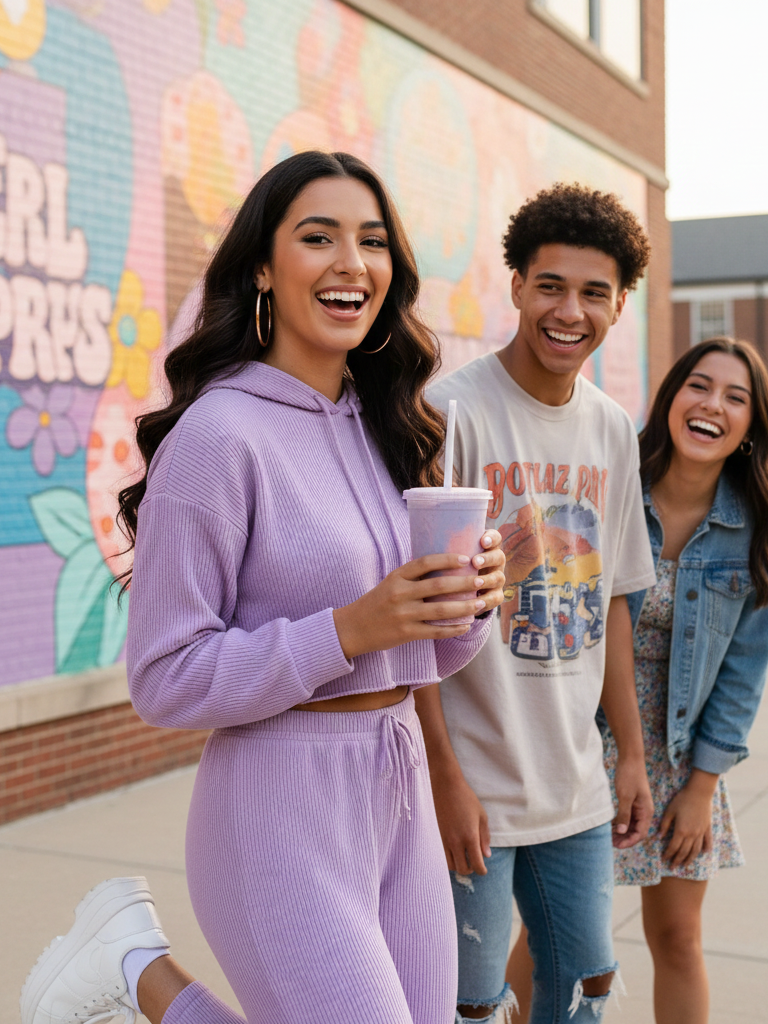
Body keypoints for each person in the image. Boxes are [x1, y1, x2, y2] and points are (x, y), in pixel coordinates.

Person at [20, 151, 507, 1024]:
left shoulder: (390, 425)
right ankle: (137, 971)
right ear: (262, 268)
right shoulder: (218, 438)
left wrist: (474, 597)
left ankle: (127, 965)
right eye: (317, 237)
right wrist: (349, 629)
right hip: (277, 806)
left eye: (371, 241)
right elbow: (164, 678)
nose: (350, 262)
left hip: (394, 788)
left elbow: (425, 653)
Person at [416, 182, 657, 1024]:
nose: (570, 311)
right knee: (471, 1005)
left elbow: (618, 599)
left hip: (576, 789)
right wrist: (443, 777)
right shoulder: (452, 415)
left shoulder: (612, 430)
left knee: (580, 993)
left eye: (594, 293)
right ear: (516, 285)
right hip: (474, 785)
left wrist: (629, 754)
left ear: (620, 304)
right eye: (550, 285)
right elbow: (417, 623)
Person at [601, 336, 768, 1024]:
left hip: (677, 756)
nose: (712, 406)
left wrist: (702, 786)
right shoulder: (612, 488)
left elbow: (741, 673)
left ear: (752, 427)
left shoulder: (754, 532)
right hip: (583, 737)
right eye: (699, 386)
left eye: (736, 397)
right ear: (671, 398)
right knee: (563, 935)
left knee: (676, 937)